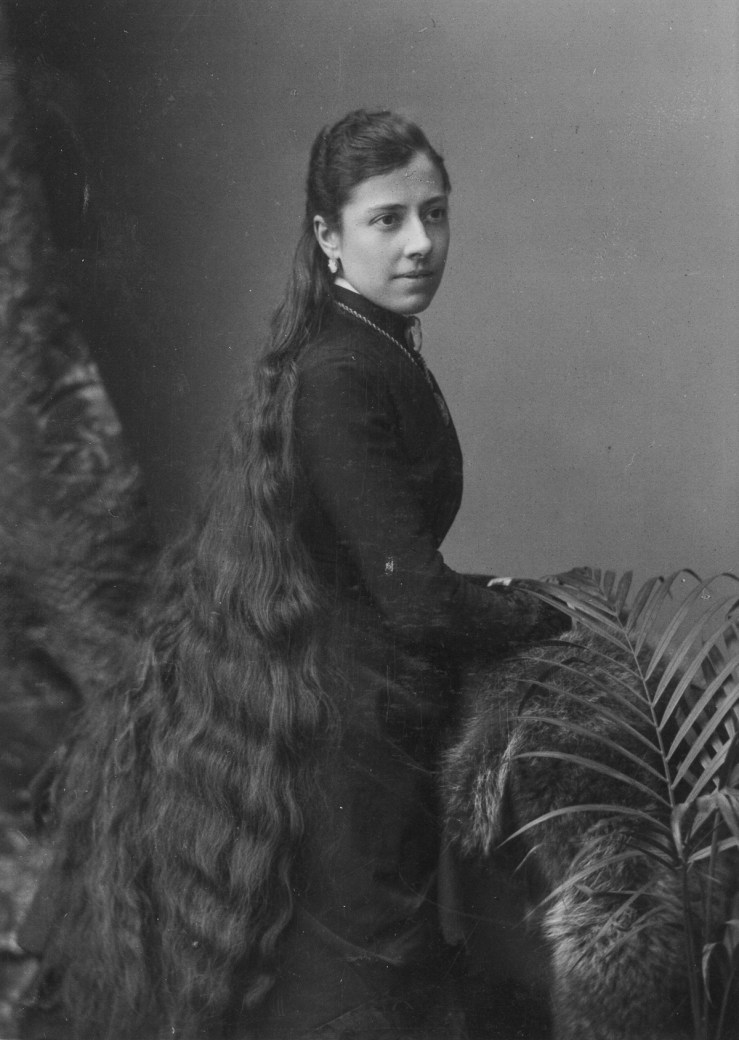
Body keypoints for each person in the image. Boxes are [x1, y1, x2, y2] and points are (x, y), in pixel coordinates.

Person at [18, 109, 569, 1040]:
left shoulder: (369, 346)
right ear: (328, 236)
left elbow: (383, 568)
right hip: (341, 735)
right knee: (350, 997)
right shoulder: (340, 374)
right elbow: (416, 599)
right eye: (386, 220)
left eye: (434, 214)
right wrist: (532, 613)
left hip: (359, 711)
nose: (420, 244)